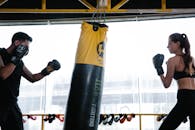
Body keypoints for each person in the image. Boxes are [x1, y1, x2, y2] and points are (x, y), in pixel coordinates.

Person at [0, 32, 61, 130]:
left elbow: (32, 78)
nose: (26, 50)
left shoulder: (19, 62)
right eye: (25, 47)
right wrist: (17, 58)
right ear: (16, 42)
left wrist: (47, 70)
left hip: (11, 104)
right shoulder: (1, 54)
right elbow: (3, 74)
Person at [153, 33, 195, 130]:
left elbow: (166, 84)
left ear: (178, 44)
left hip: (185, 98)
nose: (167, 46)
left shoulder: (172, 60)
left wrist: (159, 69)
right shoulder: (191, 59)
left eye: (170, 43)